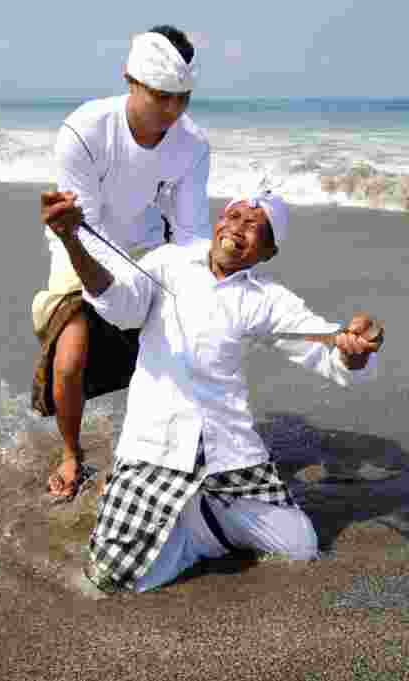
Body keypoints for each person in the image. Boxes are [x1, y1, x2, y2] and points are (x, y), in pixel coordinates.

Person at [41, 190, 385, 593]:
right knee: (112, 580)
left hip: (229, 454)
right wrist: (71, 241)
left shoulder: (268, 298)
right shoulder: (168, 261)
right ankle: (183, 528)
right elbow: (120, 305)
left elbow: (328, 351)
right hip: (156, 448)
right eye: (233, 215)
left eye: (254, 226)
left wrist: (355, 348)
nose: (237, 227)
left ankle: (199, 521)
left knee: (300, 546)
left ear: (269, 252)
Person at [32, 25, 212, 502]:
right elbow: (87, 229)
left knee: (176, 352)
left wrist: (202, 290)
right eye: (161, 96)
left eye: (183, 98)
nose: (172, 111)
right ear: (129, 80)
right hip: (82, 246)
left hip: (151, 250)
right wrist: (126, 299)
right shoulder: (84, 131)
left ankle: (160, 450)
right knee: (70, 359)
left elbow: (193, 233)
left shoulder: (193, 145)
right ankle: (71, 453)